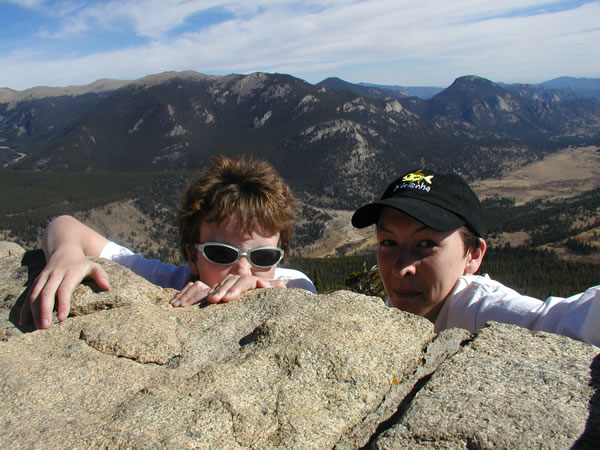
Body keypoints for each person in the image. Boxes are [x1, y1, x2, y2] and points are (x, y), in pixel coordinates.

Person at [21, 155, 316, 330]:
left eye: (263, 257)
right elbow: (64, 224)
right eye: (221, 253)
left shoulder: (293, 284)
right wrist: (66, 254)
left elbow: (306, 302)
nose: (243, 271)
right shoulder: (167, 281)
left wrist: (270, 294)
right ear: (192, 257)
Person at [351, 168, 599, 347]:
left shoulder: (478, 310)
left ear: (474, 255)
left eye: (426, 244)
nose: (401, 268)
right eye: (389, 242)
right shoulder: (396, 309)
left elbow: (567, 321)